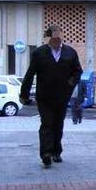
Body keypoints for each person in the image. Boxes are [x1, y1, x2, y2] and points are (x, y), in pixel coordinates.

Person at [21, 24, 82, 167]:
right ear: (49, 38)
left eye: (58, 36)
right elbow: (30, 74)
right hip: (44, 96)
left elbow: (78, 71)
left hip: (62, 95)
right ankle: (46, 154)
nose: (56, 39)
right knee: (47, 123)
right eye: (54, 37)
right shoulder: (39, 53)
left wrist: (70, 83)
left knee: (58, 124)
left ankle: (56, 151)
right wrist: (24, 94)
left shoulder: (70, 53)